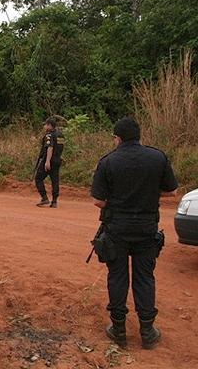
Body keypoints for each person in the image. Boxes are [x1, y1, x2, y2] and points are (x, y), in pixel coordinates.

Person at [91, 118, 178, 350]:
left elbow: (98, 200)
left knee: (117, 277)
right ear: (139, 136)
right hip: (146, 228)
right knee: (145, 277)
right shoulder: (157, 157)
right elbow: (172, 191)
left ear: (117, 138)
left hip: (117, 229)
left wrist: (118, 202)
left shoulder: (108, 161)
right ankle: (148, 332)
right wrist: (148, 195)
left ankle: (119, 331)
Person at [35, 118, 64, 207]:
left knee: (38, 178)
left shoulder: (49, 135)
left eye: (45, 125)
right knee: (55, 180)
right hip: (57, 159)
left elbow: (50, 148)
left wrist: (47, 161)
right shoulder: (60, 135)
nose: (44, 127)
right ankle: (54, 201)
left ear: (50, 125)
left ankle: (44, 197)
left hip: (49, 159)